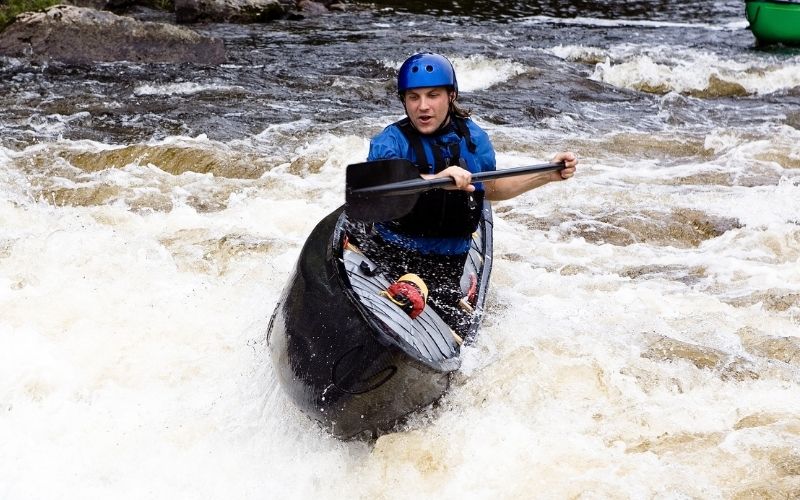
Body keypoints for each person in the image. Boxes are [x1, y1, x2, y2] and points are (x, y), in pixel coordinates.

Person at [362, 52, 577, 339]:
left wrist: (548, 174)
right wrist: (436, 180)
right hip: (391, 255)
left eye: (433, 95)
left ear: (451, 96)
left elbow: (493, 189)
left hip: (448, 263)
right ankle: (407, 290)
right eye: (413, 97)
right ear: (404, 101)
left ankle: (432, 291)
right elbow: (379, 185)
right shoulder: (390, 141)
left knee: (449, 323)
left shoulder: (473, 140)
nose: (423, 107)